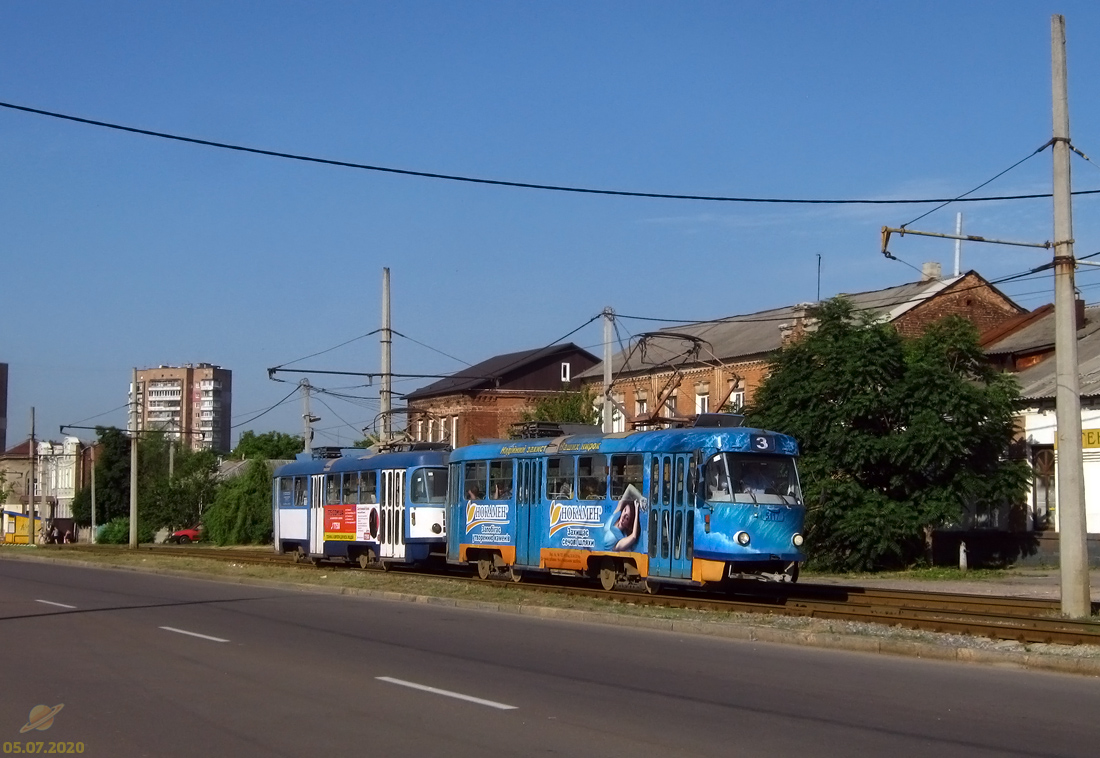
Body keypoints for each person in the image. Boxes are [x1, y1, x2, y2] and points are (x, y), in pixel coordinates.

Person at [602, 484, 643, 552]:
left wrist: (636, 510)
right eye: (624, 510)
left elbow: (633, 536)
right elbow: (629, 487)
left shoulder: (620, 539)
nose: (623, 516)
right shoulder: (616, 514)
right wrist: (640, 497)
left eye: (627, 518)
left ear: (628, 524)